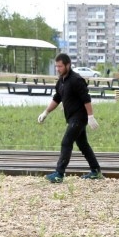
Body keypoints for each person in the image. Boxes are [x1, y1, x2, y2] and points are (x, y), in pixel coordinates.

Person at [37, 53, 103, 183]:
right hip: (71, 117)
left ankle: (59, 174)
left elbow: (86, 99)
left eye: (60, 66)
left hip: (79, 118)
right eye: (56, 66)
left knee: (66, 142)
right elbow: (57, 98)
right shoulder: (61, 81)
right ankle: (96, 171)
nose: (58, 69)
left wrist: (90, 116)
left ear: (68, 65)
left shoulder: (76, 80)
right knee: (83, 145)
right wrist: (45, 112)